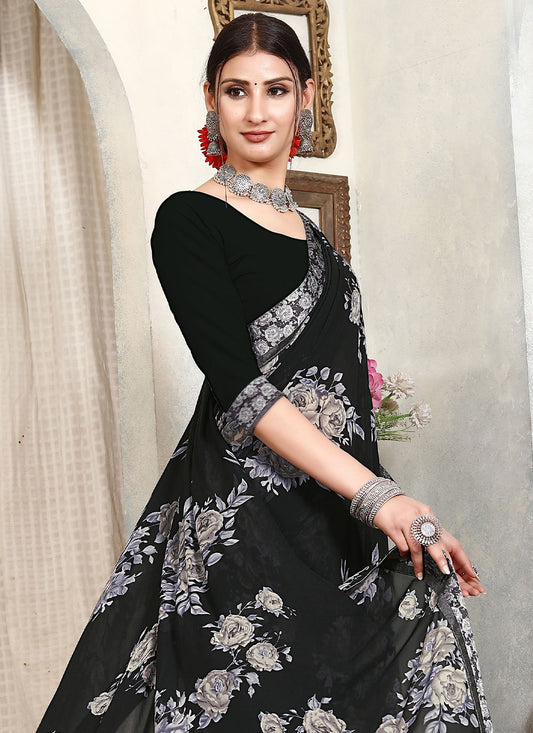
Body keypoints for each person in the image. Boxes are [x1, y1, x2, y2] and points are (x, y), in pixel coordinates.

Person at [37, 12, 492, 733]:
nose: (256, 111)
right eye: (236, 90)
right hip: (243, 528)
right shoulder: (190, 220)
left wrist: (377, 508)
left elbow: (342, 400)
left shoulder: (317, 242)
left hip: (332, 527)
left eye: (276, 90)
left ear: (304, 97)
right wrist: (381, 497)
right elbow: (245, 393)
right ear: (210, 100)